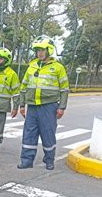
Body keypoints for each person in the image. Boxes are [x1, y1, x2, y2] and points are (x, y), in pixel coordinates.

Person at [18, 35, 69, 171]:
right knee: (29, 133)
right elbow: (23, 88)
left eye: (42, 50)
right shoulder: (31, 67)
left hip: (49, 106)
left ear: (49, 50)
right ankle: (26, 160)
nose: (39, 53)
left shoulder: (58, 68)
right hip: (33, 107)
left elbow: (64, 89)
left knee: (48, 133)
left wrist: (62, 107)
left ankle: (49, 160)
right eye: (38, 50)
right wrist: (22, 105)